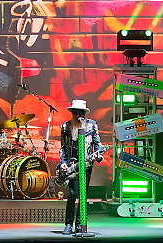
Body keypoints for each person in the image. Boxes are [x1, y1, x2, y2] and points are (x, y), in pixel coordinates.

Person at [58, 99, 101, 235]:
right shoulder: (65, 127)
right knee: (73, 193)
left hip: (86, 165)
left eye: (80, 113)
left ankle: (79, 224)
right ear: (72, 113)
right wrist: (63, 162)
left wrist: (98, 155)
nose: (78, 116)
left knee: (83, 195)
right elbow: (63, 147)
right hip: (72, 166)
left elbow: (97, 144)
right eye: (75, 113)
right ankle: (68, 224)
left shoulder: (92, 126)